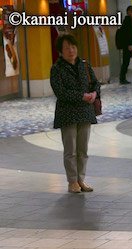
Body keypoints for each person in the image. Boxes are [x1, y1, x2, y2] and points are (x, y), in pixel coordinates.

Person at [50, 34, 100, 193]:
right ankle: (72, 181)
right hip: (68, 114)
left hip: (85, 112)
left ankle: (81, 179)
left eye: (73, 47)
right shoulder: (57, 69)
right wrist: (81, 96)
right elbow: (61, 92)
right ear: (60, 51)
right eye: (66, 48)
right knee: (70, 150)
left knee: (82, 149)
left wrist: (94, 93)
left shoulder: (84, 64)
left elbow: (95, 83)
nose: (71, 50)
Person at [119, 5, 132, 85]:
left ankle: (122, 78)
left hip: (129, 45)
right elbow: (128, 34)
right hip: (128, 46)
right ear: (129, 12)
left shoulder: (129, 20)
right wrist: (130, 44)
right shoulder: (127, 21)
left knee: (126, 62)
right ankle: (122, 78)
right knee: (126, 62)